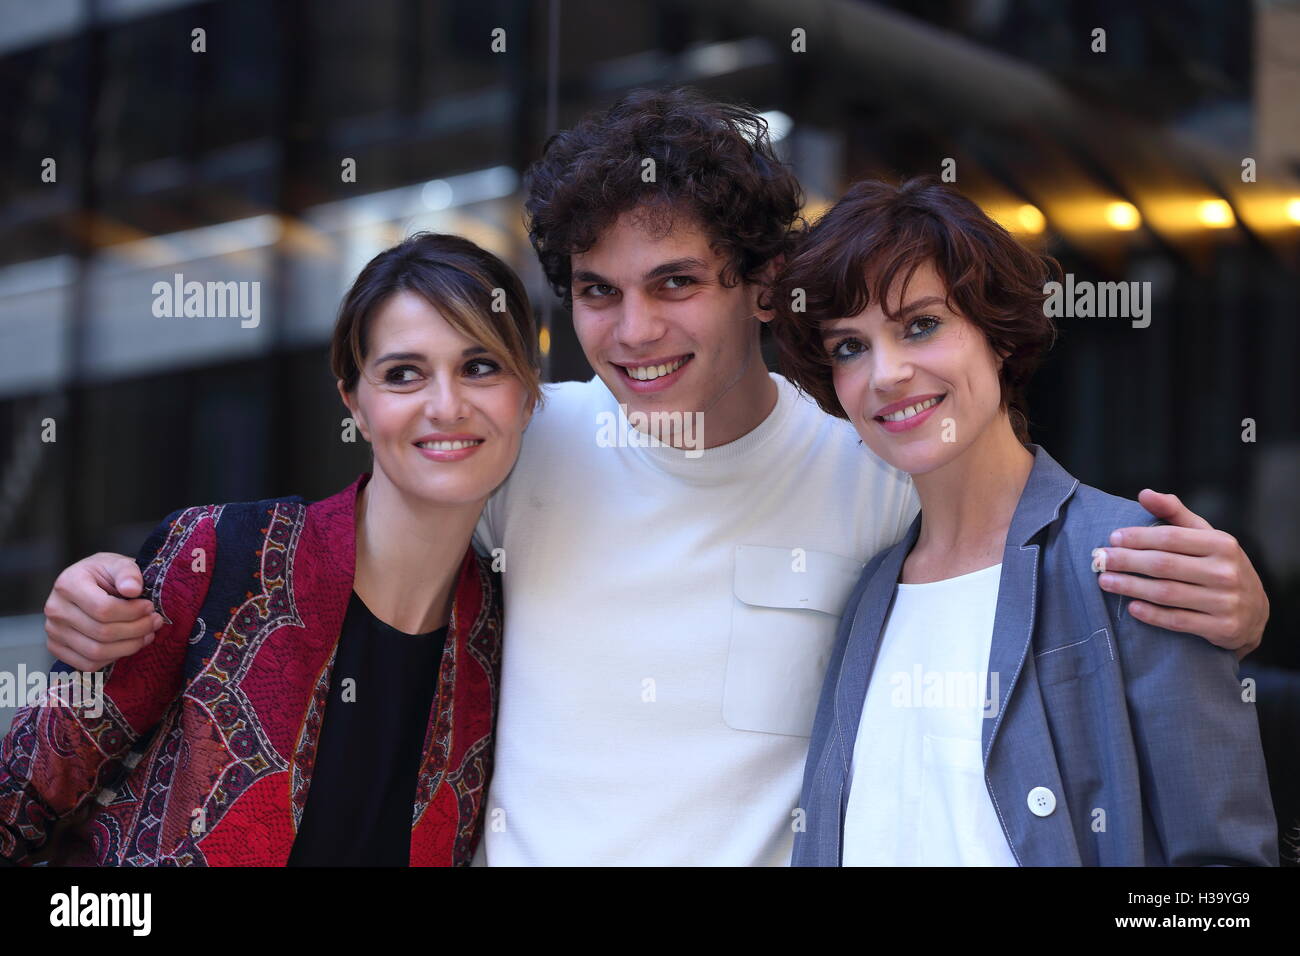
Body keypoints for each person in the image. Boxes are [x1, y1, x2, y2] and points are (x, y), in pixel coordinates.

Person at [39, 90, 1271, 866]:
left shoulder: (868, 468)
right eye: (596, 292)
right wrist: (106, 584)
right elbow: (329, 555)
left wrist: (1235, 610)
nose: (633, 330)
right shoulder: (523, 438)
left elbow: (1027, 548)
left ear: (753, 283)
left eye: (674, 282)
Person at [772, 177, 1276, 865]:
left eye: (921, 325)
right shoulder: (869, 594)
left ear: (999, 336)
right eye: (849, 347)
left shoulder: (1130, 560)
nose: (885, 373)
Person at [0, 233, 540, 866]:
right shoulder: (220, 557)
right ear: (355, 406)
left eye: (480, 367)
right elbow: (19, 804)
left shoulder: (508, 639)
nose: (446, 406)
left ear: (528, 392)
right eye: (403, 374)